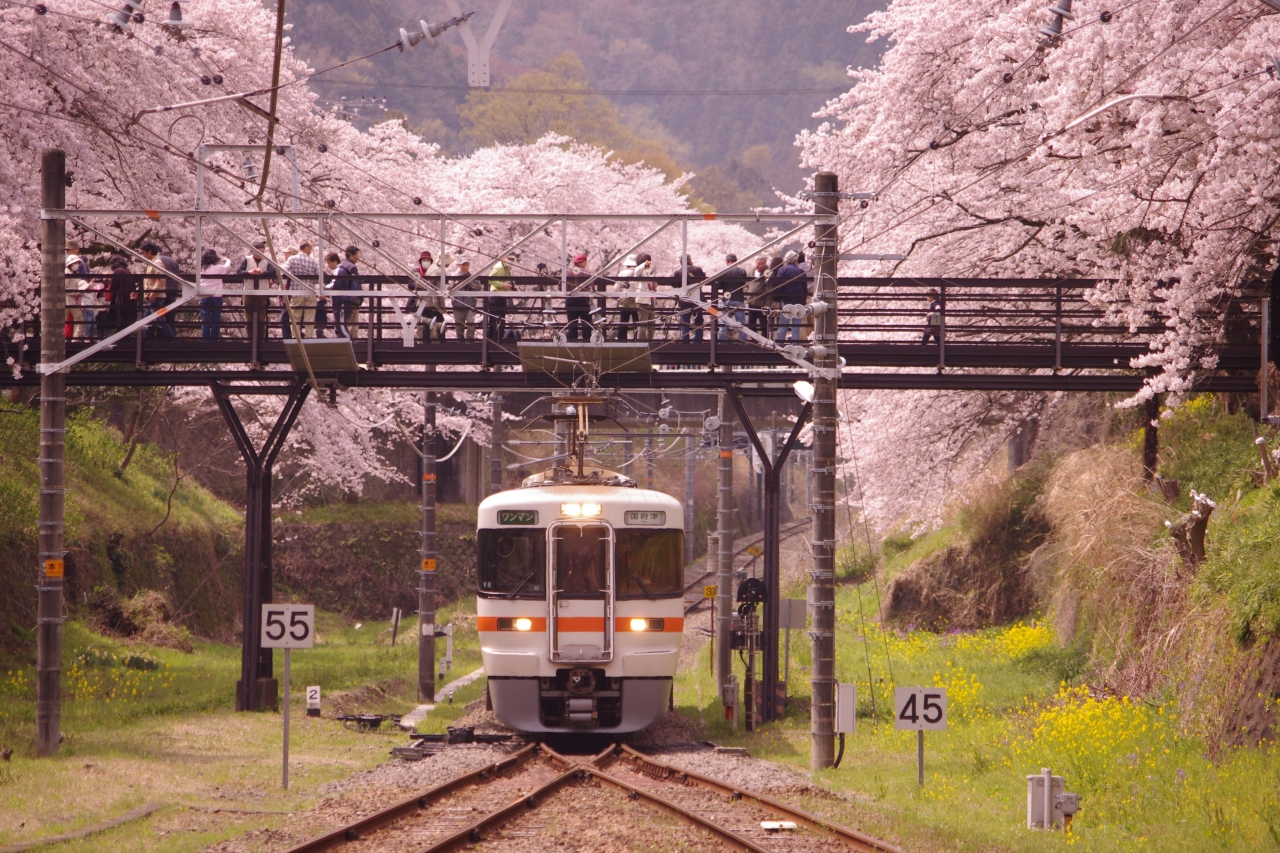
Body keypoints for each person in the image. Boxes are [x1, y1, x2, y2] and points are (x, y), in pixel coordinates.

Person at [236, 239, 276, 340]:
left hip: (263, 293)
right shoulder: (247, 260)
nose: (261, 254)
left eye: (263, 252)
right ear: (253, 251)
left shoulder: (267, 261)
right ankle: (250, 340)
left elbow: (273, 272)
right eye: (259, 251)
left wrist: (263, 272)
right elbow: (239, 272)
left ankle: (260, 340)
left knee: (262, 319)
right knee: (248, 319)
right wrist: (249, 272)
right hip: (248, 292)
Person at [140, 242, 180, 340]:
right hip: (170, 291)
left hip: (157, 294)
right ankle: (151, 339)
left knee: (158, 318)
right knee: (165, 317)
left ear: (150, 251)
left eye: (144, 252)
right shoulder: (173, 262)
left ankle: (170, 339)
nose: (143, 255)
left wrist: (153, 292)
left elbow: (159, 278)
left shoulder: (157, 262)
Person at [283, 241, 319, 337]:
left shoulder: (292, 259)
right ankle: (309, 337)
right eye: (310, 249)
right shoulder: (313, 262)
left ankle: (296, 337)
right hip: (310, 292)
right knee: (309, 317)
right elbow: (318, 279)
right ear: (306, 248)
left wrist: (292, 276)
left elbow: (283, 271)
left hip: (296, 292)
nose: (311, 251)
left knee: (295, 317)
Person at [411, 249, 446, 343]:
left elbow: (440, 286)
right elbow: (410, 285)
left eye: (428, 260)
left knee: (440, 321)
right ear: (420, 262)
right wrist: (417, 285)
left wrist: (441, 304)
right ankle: (425, 343)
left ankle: (442, 343)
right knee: (424, 323)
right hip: (422, 302)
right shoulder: (416, 272)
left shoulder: (435, 271)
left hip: (433, 302)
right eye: (424, 260)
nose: (426, 262)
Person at [773, 252, 808, 343]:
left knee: (783, 325)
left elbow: (779, 285)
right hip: (799, 302)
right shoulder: (800, 271)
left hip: (787, 301)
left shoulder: (783, 270)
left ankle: (779, 344)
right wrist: (803, 301)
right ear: (796, 260)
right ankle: (794, 345)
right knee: (796, 327)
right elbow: (804, 288)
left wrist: (779, 298)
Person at [101, 255, 137, 337]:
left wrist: (105, 280)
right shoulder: (128, 272)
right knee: (126, 323)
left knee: (120, 321)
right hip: (130, 300)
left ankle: (120, 340)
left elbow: (113, 285)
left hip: (121, 300)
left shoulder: (118, 271)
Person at [331, 245, 363, 339]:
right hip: (350, 299)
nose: (358, 257)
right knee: (353, 323)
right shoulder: (352, 267)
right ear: (351, 255)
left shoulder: (341, 265)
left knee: (343, 323)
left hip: (342, 299)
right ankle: (352, 341)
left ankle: (344, 339)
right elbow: (355, 284)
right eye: (357, 254)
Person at [673, 255, 706, 343]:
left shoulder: (678, 272)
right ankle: (698, 342)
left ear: (681, 262)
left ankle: (685, 342)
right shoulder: (698, 270)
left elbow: (674, 284)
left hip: (684, 300)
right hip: (697, 299)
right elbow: (703, 280)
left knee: (685, 322)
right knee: (699, 321)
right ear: (690, 260)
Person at [716, 253, 747, 342]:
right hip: (739, 300)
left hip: (727, 300)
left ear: (727, 261)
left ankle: (721, 343)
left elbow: (718, 285)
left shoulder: (724, 271)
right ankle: (743, 343)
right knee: (740, 323)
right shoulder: (742, 271)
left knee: (723, 323)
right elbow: (743, 283)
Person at [199, 249, 229, 340]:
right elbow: (227, 268)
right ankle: (214, 340)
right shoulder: (219, 268)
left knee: (205, 320)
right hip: (217, 296)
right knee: (216, 319)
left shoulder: (201, 268)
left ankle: (205, 341)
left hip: (204, 295)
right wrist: (227, 260)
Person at [65, 245, 93, 339]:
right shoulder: (66, 273)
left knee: (79, 321)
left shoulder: (74, 274)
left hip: (72, 301)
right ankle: (72, 340)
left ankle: (75, 339)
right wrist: (76, 293)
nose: (77, 265)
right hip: (68, 301)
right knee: (80, 321)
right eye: (75, 263)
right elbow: (64, 288)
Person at [487, 253, 515, 342]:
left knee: (499, 319)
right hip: (495, 296)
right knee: (497, 320)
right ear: (504, 258)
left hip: (502, 295)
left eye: (513, 259)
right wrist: (502, 285)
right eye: (509, 259)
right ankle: (495, 340)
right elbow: (490, 280)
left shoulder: (506, 268)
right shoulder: (499, 267)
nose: (511, 261)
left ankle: (495, 340)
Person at [451, 257, 480, 341]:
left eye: (467, 264)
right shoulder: (454, 275)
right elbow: (449, 288)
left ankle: (470, 342)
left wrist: (469, 281)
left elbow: (478, 287)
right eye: (463, 264)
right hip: (457, 304)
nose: (465, 266)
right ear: (459, 265)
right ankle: (460, 344)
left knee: (471, 322)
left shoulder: (473, 276)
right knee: (459, 327)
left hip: (470, 304)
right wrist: (458, 282)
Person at [564, 252, 592, 341]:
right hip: (584, 301)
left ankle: (572, 341)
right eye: (585, 262)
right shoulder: (586, 272)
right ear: (581, 262)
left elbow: (560, 286)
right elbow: (591, 287)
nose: (586, 264)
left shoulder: (567, 272)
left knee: (572, 323)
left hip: (570, 300)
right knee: (586, 323)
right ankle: (587, 341)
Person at [633, 253, 656, 342]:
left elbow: (649, 286)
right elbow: (637, 271)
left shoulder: (648, 273)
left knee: (652, 325)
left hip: (650, 300)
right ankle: (641, 344)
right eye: (648, 262)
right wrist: (644, 265)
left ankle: (649, 342)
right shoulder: (639, 271)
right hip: (643, 301)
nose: (649, 264)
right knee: (642, 325)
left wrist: (654, 287)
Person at [745, 256, 770, 338]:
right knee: (751, 324)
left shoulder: (768, 273)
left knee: (763, 324)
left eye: (762, 264)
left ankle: (764, 341)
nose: (760, 266)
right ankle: (755, 340)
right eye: (758, 263)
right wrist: (746, 296)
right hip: (751, 302)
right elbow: (746, 285)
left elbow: (770, 289)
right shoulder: (751, 272)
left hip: (762, 303)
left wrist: (767, 303)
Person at [317, 252, 340, 337]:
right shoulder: (337, 271)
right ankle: (320, 331)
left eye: (329, 263)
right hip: (336, 299)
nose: (328, 265)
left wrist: (326, 293)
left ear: (335, 262)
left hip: (339, 301)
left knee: (340, 324)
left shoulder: (338, 271)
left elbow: (335, 285)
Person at [615, 254, 638, 341]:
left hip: (624, 298)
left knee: (623, 319)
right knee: (636, 319)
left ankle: (621, 338)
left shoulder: (622, 273)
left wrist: (618, 295)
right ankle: (636, 338)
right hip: (636, 299)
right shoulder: (638, 272)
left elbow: (616, 287)